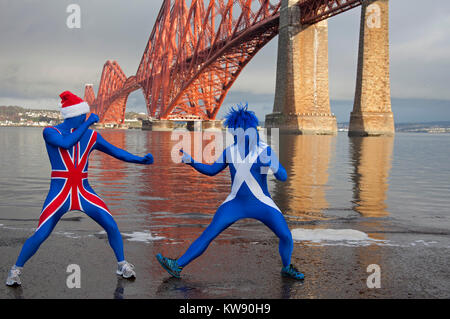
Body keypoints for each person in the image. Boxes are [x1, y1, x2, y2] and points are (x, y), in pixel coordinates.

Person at [6, 91, 154, 286]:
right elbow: (66, 144)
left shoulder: (92, 136)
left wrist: (139, 160)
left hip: (84, 192)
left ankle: (122, 264)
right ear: (72, 115)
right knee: (41, 233)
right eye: (82, 115)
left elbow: (115, 152)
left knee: (111, 225)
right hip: (60, 193)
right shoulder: (51, 132)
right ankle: (15, 270)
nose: (86, 117)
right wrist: (88, 122)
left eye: (86, 116)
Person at [156, 104, 304, 280]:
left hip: (262, 203)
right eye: (237, 131)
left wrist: (273, 165)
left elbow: (283, 176)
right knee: (209, 233)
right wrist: (192, 161)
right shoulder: (230, 152)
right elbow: (212, 171)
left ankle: (286, 267)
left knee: (286, 236)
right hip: (235, 203)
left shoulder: (264, 151)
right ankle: (177, 265)